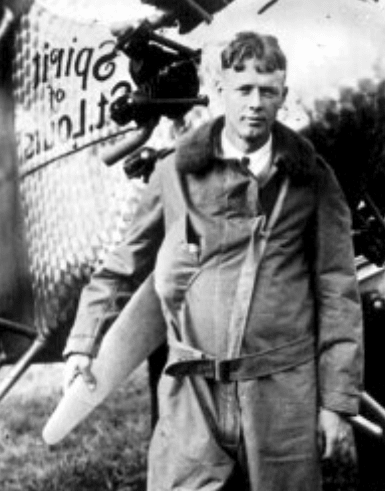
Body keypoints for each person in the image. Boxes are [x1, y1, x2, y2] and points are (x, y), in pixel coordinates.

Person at [63, 31, 363, 491]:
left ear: (283, 94)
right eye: (243, 90)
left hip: (281, 394)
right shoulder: (175, 173)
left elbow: (338, 291)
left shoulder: (314, 181)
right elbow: (123, 263)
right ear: (221, 90)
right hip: (193, 393)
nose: (255, 104)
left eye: (267, 91)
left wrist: (336, 403)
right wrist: (83, 343)